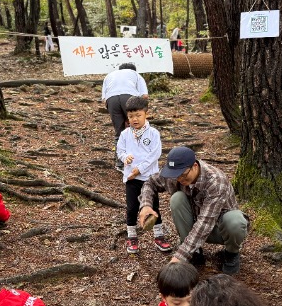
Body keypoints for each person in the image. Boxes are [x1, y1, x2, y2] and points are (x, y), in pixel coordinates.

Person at [138, 146, 248, 274]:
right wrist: (146, 205)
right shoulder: (175, 173)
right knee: (177, 198)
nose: (180, 179)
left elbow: (205, 223)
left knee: (235, 221)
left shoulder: (216, 181)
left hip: (219, 229)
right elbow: (150, 183)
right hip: (193, 225)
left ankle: (231, 254)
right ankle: (195, 252)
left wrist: (179, 257)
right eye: (176, 176)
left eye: (183, 175)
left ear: (195, 166)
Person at [116, 95, 172, 254]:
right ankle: (132, 236)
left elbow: (155, 154)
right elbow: (120, 150)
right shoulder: (125, 134)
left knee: (154, 207)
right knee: (132, 207)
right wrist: (125, 157)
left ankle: (159, 236)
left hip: (150, 178)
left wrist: (139, 169)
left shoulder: (153, 133)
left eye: (138, 115)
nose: (134, 119)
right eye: (131, 116)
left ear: (146, 114)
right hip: (131, 179)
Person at [101, 62, 149, 169]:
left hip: (111, 99)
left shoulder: (109, 76)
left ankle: (120, 162)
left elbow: (104, 100)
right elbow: (144, 96)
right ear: (134, 69)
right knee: (137, 129)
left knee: (120, 132)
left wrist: (121, 116)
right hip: (130, 96)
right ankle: (140, 159)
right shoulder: (136, 74)